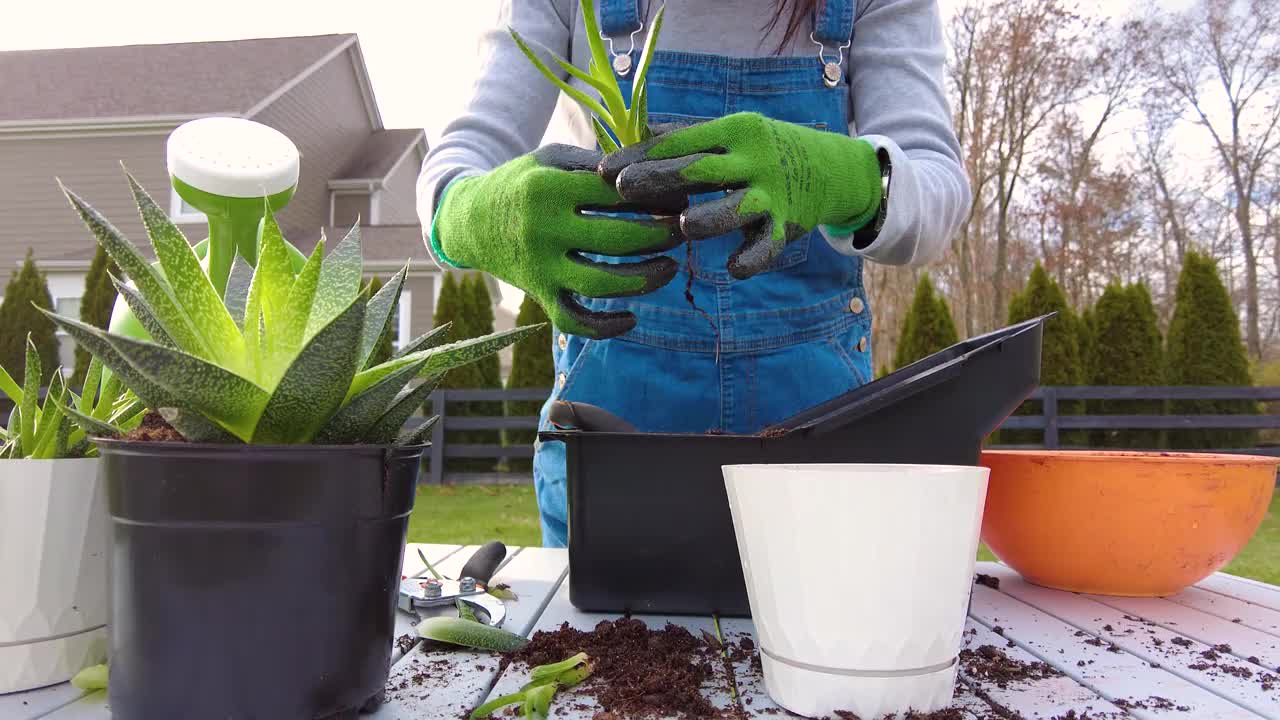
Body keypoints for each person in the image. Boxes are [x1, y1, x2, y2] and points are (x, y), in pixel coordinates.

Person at [417, 0, 971, 547]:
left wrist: (840, 177)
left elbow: (938, 186)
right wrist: (474, 214)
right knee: (598, 635)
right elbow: (459, 163)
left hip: (813, 442)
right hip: (613, 451)